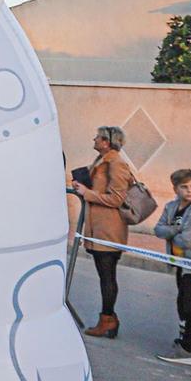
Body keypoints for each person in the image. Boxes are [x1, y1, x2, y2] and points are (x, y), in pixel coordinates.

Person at [70, 126, 132, 338]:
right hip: (98, 228)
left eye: (97, 137)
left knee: (107, 275)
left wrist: (88, 193)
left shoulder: (116, 164)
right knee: (104, 275)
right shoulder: (102, 161)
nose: (94, 139)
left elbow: (117, 198)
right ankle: (108, 319)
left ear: (106, 141)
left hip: (109, 230)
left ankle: (108, 319)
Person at [152, 169, 191, 363]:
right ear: (175, 189)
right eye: (184, 187)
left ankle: (188, 348)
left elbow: (188, 239)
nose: (189, 191)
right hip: (180, 263)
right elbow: (158, 229)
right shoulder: (171, 207)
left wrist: (173, 232)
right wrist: (176, 229)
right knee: (187, 304)